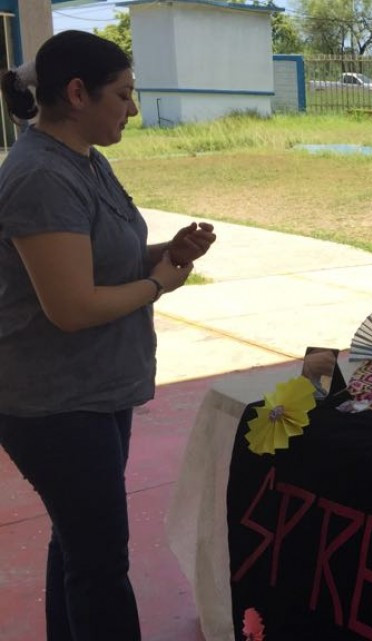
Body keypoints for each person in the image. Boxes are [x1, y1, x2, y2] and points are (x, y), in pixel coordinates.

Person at [0, 31, 217, 639]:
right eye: (123, 94)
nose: (133, 108)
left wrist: (161, 253)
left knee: (77, 545)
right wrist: (159, 285)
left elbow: (94, 260)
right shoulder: (41, 176)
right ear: (76, 94)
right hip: (56, 403)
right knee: (99, 564)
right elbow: (71, 306)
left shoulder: (86, 160)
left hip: (93, 390)